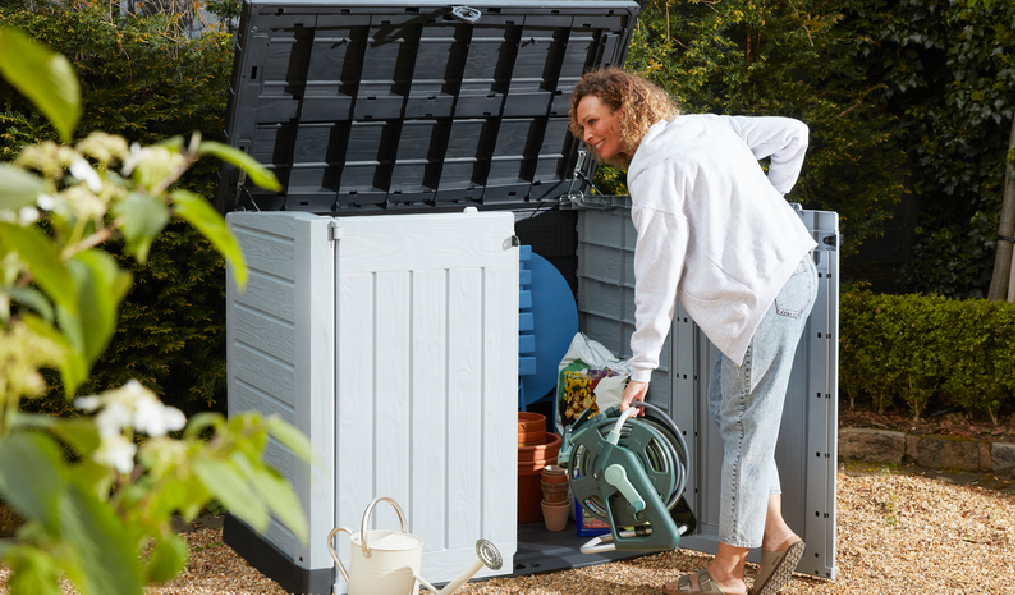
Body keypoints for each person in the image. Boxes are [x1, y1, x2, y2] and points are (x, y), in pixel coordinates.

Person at [568, 68, 818, 595]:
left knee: (744, 430)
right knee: (737, 417)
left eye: (593, 121)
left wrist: (642, 368)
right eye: (582, 129)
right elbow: (794, 133)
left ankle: (726, 576)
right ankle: (774, 534)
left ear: (624, 108)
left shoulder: (653, 171)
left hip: (761, 298)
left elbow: (655, 277)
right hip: (792, 275)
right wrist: (772, 204)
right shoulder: (703, 126)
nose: (588, 136)